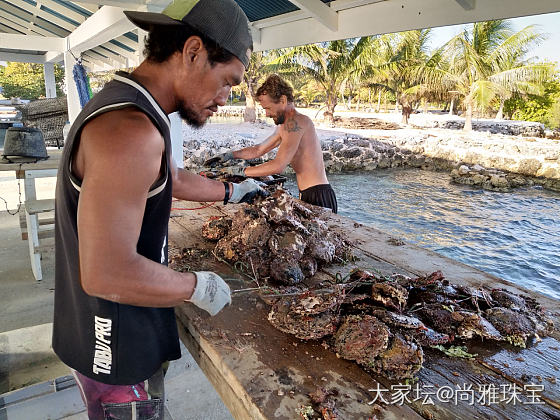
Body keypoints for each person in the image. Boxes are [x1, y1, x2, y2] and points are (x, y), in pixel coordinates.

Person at [52, 1, 265, 418]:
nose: (225, 98)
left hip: (116, 327)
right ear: (192, 52)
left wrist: (230, 192)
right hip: (113, 346)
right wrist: (195, 286)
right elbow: (106, 273)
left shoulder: (132, 107)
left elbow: (171, 177)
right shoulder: (131, 131)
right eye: (227, 81)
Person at [204, 74, 337, 213]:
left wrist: (240, 172)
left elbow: (278, 165)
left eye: (268, 108)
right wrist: (229, 155)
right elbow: (258, 150)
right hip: (307, 192)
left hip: (319, 194)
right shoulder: (284, 126)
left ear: (283, 100)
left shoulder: (296, 122)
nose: (267, 114)